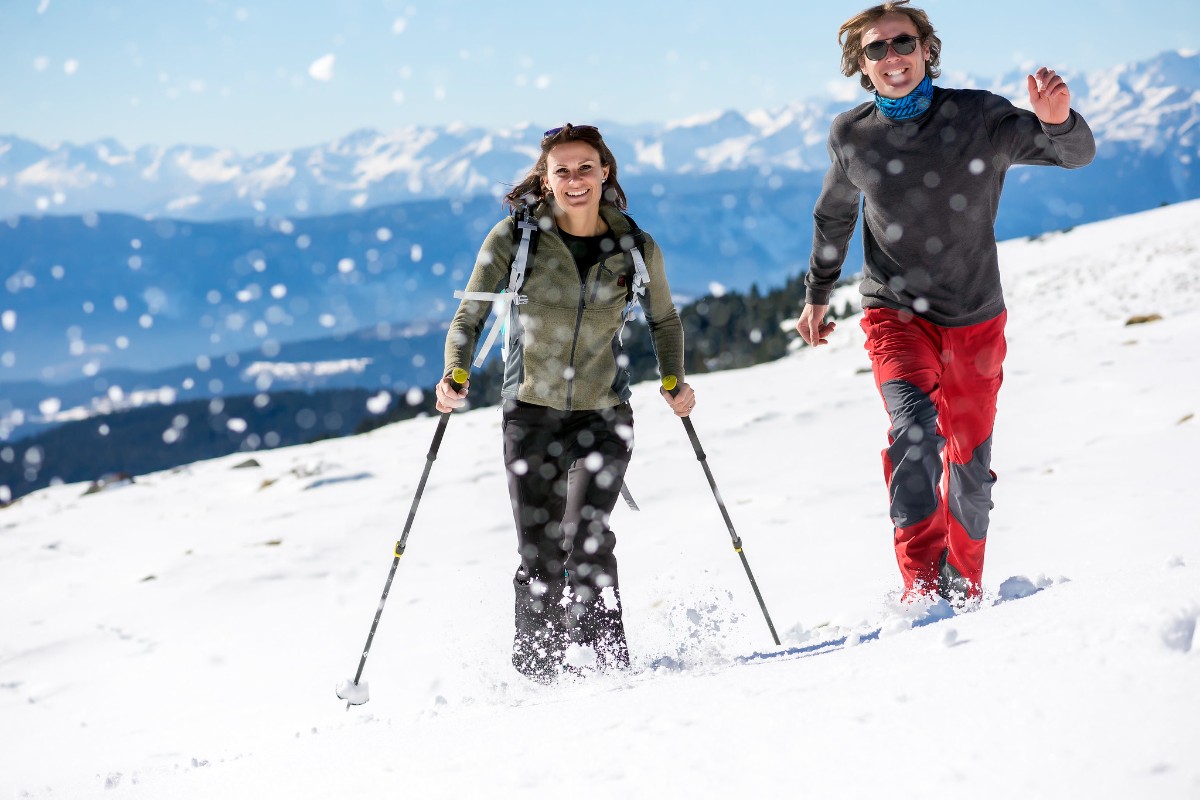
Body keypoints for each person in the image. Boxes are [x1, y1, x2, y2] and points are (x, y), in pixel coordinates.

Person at [796, 1, 1095, 604]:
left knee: (969, 466)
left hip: (976, 316)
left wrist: (1058, 121)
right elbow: (833, 215)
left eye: (901, 43)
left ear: (927, 49)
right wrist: (817, 297)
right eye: (875, 50)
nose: (891, 58)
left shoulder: (978, 115)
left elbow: (1075, 154)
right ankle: (920, 585)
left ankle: (964, 586)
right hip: (894, 313)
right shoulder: (851, 133)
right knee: (913, 434)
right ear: (859, 63)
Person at [435, 123, 695, 682]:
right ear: (546, 179)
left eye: (585, 169)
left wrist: (674, 379)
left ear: (606, 172)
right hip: (529, 413)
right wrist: (456, 370)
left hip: (604, 415)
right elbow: (471, 313)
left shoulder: (634, 246)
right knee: (540, 558)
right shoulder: (515, 238)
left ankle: (607, 669)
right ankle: (539, 676)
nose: (575, 180)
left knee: (588, 539)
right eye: (563, 171)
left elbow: (663, 318)